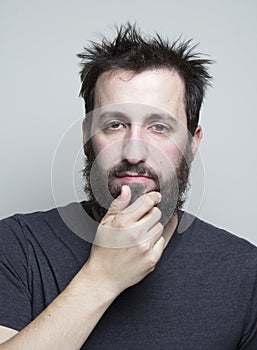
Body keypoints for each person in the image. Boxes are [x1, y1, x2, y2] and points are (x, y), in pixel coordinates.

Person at [0, 23, 257, 349]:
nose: (134, 153)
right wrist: (101, 278)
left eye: (160, 127)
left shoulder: (245, 273)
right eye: (115, 124)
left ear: (193, 144)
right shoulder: (14, 247)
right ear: (87, 137)